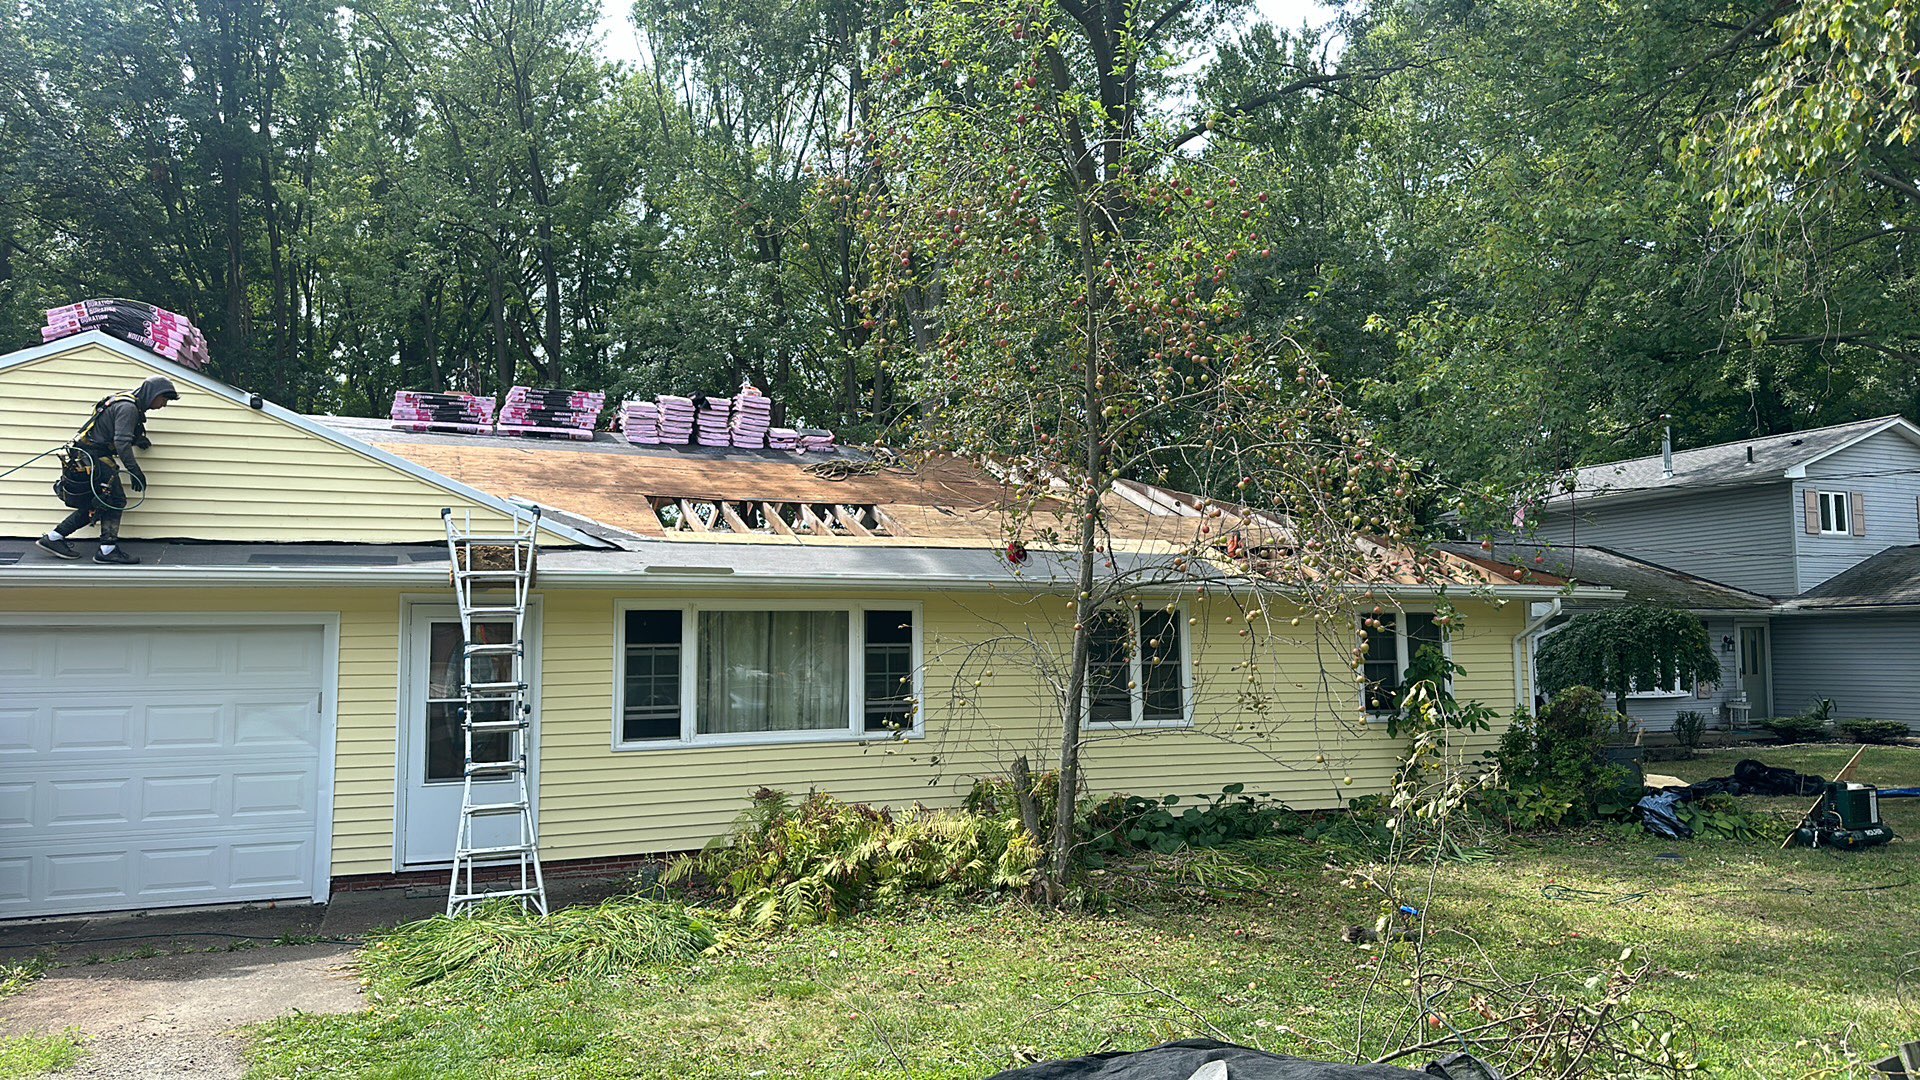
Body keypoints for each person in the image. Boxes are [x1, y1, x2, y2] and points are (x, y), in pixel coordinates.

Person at [37, 375, 179, 565]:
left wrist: (137, 439)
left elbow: (111, 429)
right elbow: (121, 442)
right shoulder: (128, 408)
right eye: (164, 399)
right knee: (115, 500)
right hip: (94, 455)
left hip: (90, 453)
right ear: (154, 394)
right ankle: (107, 549)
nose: (164, 405)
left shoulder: (127, 401)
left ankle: (55, 538)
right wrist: (135, 471)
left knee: (101, 501)